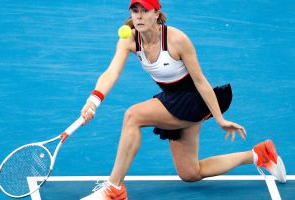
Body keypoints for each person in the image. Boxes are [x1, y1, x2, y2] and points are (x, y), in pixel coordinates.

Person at [80, 0, 286, 199]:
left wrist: (219, 119)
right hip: (172, 100)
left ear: (157, 14)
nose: (139, 16)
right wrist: (93, 101)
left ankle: (114, 189)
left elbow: (200, 81)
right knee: (190, 173)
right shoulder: (129, 40)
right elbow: (111, 73)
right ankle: (259, 154)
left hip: (192, 100)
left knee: (133, 116)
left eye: (145, 10)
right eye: (135, 11)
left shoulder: (177, 40)